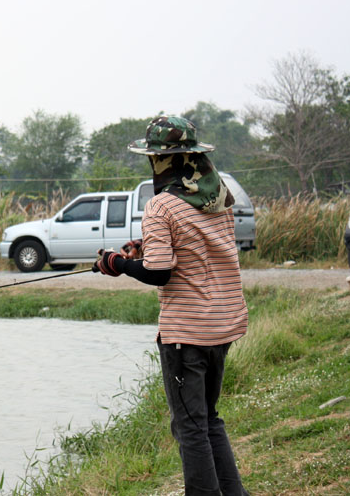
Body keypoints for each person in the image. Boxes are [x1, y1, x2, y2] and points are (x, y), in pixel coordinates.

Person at [93, 115, 249, 496]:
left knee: (190, 427)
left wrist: (118, 264)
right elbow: (196, 245)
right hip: (223, 324)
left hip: (187, 332)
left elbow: (160, 273)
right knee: (208, 419)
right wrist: (145, 248)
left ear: (161, 161)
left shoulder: (160, 206)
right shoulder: (219, 195)